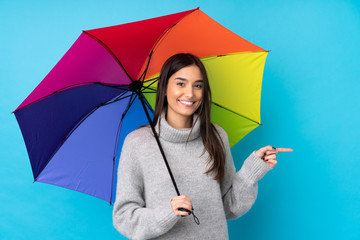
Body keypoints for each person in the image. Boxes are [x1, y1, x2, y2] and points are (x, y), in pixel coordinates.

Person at [112, 53, 293, 239]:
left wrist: (251, 171)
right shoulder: (138, 143)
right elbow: (124, 217)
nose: (190, 93)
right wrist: (166, 213)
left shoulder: (216, 136)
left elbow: (230, 208)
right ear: (164, 88)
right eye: (181, 84)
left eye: (198, 85)